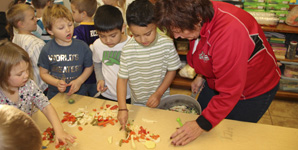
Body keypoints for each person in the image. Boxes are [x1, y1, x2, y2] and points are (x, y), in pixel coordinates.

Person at [154, 0, 281, 146]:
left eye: (179, 31)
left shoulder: (229, 33)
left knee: (230, 139)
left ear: (197, 19)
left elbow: (230, 91)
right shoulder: (196, 13)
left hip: (252, 91)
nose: (176, 37)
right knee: (204, 127)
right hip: (219, 81)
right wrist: (201, 74)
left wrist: (201, 124)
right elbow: (204, 48)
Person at [117, 0, 181, 130]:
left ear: (156, 24)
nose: (143, 40)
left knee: (162, 130)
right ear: (129, 29)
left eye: (148, 33)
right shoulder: (128, 49)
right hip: (138, 103)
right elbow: (122, 80)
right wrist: (122, 108)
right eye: (136, 35)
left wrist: (158, 93)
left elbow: (172, 70)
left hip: (162, 99)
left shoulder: (167, 43)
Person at [0, 39, 76, 146]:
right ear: (2, 75)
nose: (26, 75)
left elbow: (45, 106)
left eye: (27, 70)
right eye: (19, 74)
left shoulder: (28, 85)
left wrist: (59, 130)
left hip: (27, 131)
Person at [38, 4, 93, 99]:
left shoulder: (82, 46)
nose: (68, 30)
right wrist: (56, 82)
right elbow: (43, 73)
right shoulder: (47, 49)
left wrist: (79, 80)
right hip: (55, 96)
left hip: (79, 95)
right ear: (50, 31)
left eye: (70, 25)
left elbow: (89, 66)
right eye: (61, 28)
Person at [91, 5, 131, 103]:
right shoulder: (97, 45)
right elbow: (97, 63)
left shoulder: (132, 44)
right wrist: (100, 79)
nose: (107, 40)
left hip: (129, 95)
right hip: (107, 94)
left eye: (113, 35)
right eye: (102, 36)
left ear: (122, 28)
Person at [6, 4, 48, 93]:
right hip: (42, 88)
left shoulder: (16, 37)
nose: (36, 19)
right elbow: (43, 69)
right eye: (32, 18)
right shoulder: (36, 44)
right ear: (21, 24)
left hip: (29, 87)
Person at [71, 0, 98, 97]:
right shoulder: (99, 28)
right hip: (98, 72)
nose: (72, 14)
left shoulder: (77, 31)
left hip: (83, 74)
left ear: (83, 14)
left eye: (73, 12)